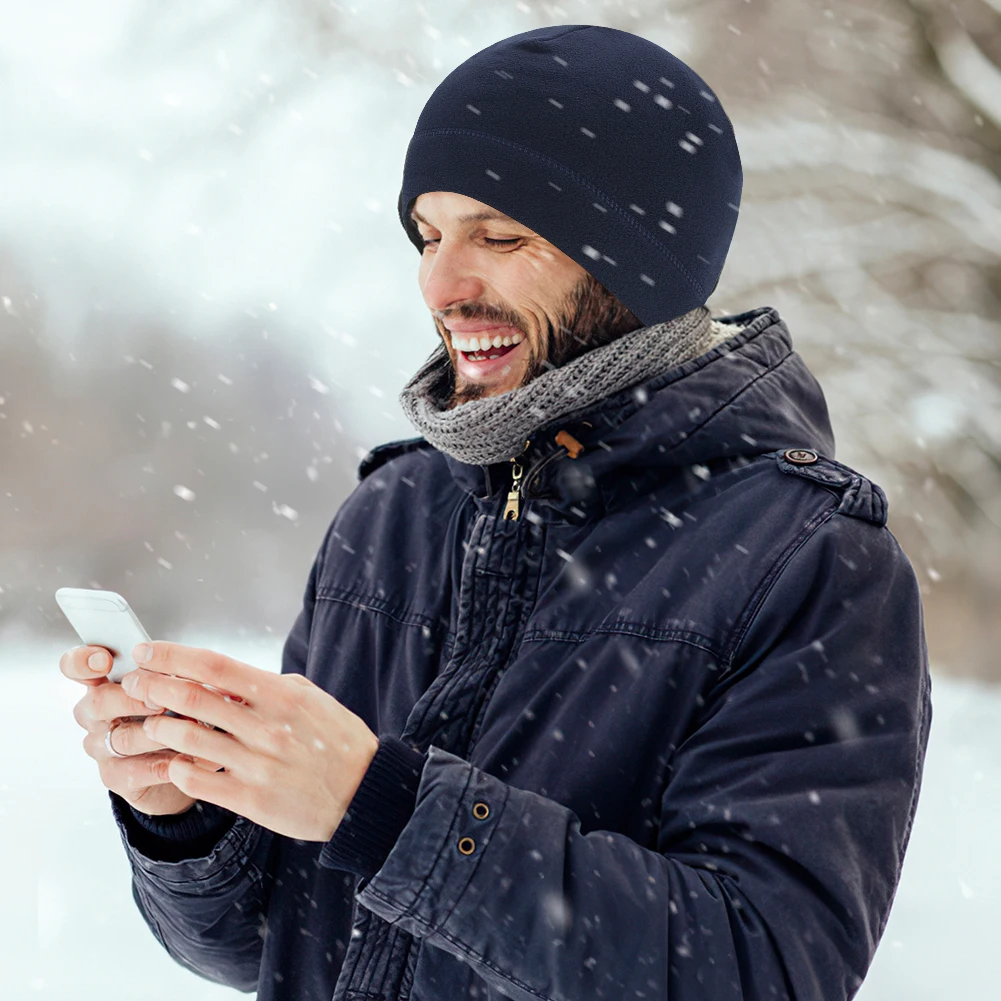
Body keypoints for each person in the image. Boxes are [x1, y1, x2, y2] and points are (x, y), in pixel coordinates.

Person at [60, 24, 931, 1001]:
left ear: (637, 260)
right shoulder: (387, 515)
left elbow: (762, 967)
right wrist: (185, 815)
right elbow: (280, 942)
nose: (440, 285)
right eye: (428, 235)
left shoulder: (806, 561)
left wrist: (384, 809)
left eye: (498, 235)